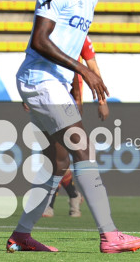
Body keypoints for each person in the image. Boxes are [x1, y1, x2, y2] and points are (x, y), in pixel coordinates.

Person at [8, 0, 140, 253]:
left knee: (59, 162)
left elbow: (70, 44)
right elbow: (40, 40)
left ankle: (21, 235)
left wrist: (76, 84)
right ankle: (110, 235)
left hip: (53, 83)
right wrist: (83, 71)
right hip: (38, 79)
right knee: (82, 147)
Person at [43, 35, 108, 218]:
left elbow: (92, 67)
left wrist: (102, 101)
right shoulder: (50, 31)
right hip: (47, 97)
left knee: (60, 154)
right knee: (53, 155)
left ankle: (50, 204)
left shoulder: (79, 35)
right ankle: (73, 195)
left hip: (71, 101)